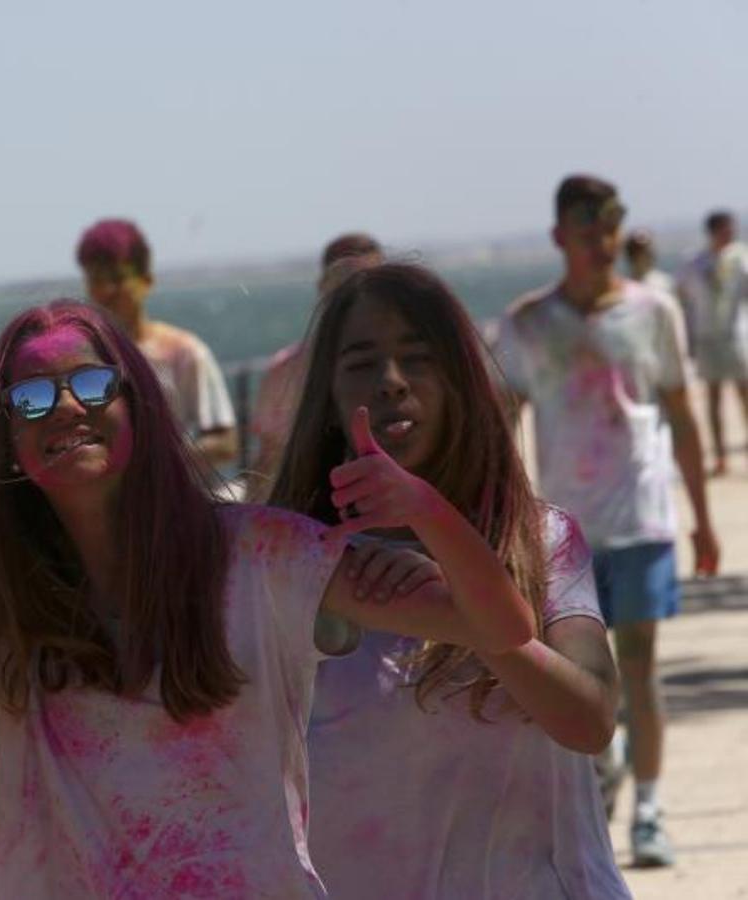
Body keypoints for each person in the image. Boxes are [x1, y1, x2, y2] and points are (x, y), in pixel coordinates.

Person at [0, 292, 540, 898]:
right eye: (32, 397)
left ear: (139, 404)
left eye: (94, 384)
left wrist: (423, 511)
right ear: (7, 441)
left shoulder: (261, 553)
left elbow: (502, 626)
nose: (67, 407)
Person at [269, 263, 629, 898]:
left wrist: (450, 569)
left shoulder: (543, 541)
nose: (392, 383)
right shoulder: (287, 563)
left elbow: (588, 720)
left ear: (462, 380)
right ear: (326, 392)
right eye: (361, 362)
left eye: (419, 358)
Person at [495, 175, 720, 868]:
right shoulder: (527, 323)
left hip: (642, 518)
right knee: (585, 674)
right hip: (565, 536)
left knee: (643, 666)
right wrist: (503, 521)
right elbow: (504, 421)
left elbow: (680, 412)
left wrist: (701, 520)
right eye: (587, 230)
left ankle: (648, 811)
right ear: (559, 236)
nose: (601, 242)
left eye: (610, 228)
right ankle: (610, 755)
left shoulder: (652, 311)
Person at [75, 218, 239, 469]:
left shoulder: (185, 352)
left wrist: (155, 463)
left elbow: (225, 443)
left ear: (146, 281)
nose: (107, 290)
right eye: (96, 279)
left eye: (117, 278)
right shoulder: (78, 357)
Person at [248, 232, 384, 499]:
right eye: (345, 284)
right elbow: (267, 459)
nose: (357, 295)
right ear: (323, 288)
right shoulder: (285, 371)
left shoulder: (407, 369)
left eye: (372, 283)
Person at [676, 210, 748, 476]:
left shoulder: (741, 258)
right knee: (713, 396)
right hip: (707, 337)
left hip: (736, 335)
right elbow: (682, 295)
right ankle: (720, 455)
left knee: (744, 393)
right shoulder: (694, 262)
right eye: (725, 229)